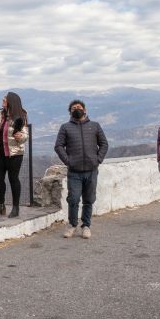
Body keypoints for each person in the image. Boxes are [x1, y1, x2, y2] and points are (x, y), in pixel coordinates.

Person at [54, 100, 108, 239]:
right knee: (73, 199)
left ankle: (86, 226)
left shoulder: (94, 126)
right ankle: (72, 225)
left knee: (89, 199)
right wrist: (68, 161)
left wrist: (98, 160)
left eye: (78, 107)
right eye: (73, 108)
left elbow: (104, 144)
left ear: (85, 110)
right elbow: (58, 146)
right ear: (70, 112)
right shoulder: (65, 127)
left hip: (91, 170)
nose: (76, 109)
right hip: (74, 171)